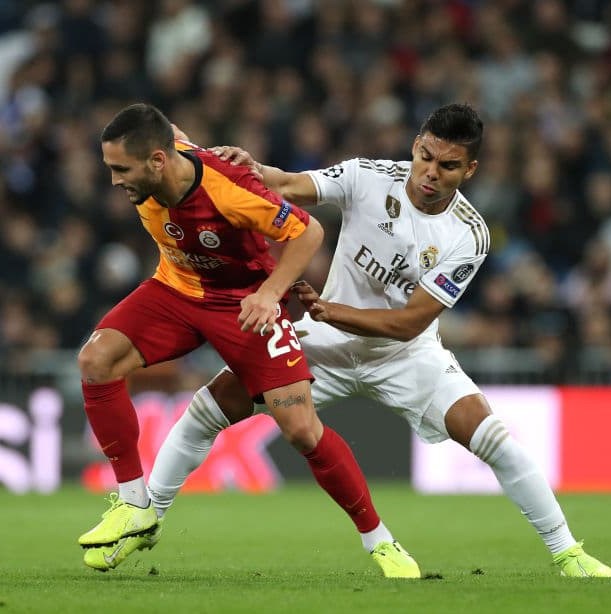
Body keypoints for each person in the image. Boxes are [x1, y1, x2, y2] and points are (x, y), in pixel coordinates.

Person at [105, 103, 611, 578]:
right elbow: (285, 186)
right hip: (323, 343)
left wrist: (332, 310)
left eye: (449, 166)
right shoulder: (369, 177)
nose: (431, 173)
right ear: (416, 145)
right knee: (205, 410)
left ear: (470, 171)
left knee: (496, 442)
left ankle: (568, 551)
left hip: (406, 357)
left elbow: (410, 322)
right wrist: (250, 168)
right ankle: (146, 518)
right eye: (426, 156)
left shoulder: (469, 234)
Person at [78, 103, 420, 578]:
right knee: (96, 360)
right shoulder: (169, 149)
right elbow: (172, 130)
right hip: (176, 286)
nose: (115, 181)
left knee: (302, 429)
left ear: (157, 161)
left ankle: (380, 542)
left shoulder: (228, 189)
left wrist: (268, 294)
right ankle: (137, 507)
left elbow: (308, 231)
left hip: (242, 303)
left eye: (121, 169)